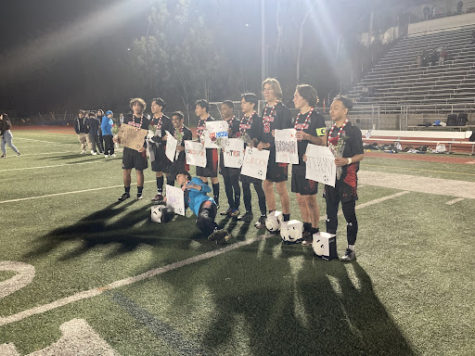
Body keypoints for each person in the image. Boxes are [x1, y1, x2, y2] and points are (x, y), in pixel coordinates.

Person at [325, 96, 364, 262]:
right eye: (331, 107)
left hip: (347, 179)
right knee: (330, 214)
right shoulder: (329, 130)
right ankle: (330, 247)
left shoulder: (353, 130)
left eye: (336, 107)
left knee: (349, 215)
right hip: (330, 178)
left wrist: (346, 160)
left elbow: (360, 154)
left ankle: (350, 249)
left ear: (345, 110)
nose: (331, 110)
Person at [292, 84, 327, 245]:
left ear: (305, 97)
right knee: (300, 198)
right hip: (296, 162)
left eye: (296, 96)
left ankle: (315, 229)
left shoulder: (318, 118)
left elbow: (323, 141)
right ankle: (306, 228)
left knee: (310, 199)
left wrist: (307, 136)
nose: (294, 99)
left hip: (310, 164)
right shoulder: (297, 117)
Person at [258, 78, 293, 225]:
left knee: (280, 186)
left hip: (279, 153)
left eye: (269, 89)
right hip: (266, 152)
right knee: (266, 184)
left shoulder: (283, 109)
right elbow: (263, 130)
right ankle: (272, 216)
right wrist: (259, 142)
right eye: (264, 89)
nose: (266, 91)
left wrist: (270, 142)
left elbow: (287, 133)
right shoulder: (264, 108)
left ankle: (286, 218)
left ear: (276, 90)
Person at [237, 93, 267, 229]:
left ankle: (263, 214)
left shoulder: (258, 119)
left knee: (257, 186)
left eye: (244, 102)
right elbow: (242, 136)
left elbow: (260, 137)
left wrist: (253, 141)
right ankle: (248, 212)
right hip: (244, 157)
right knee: (244, 185)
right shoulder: (242, 119)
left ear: (252, 104)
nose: (242, 105)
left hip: (255, 157)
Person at [175, 171, 230, 242]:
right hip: (200, 212)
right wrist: (170, 199)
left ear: (186, 176)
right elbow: (181, 208)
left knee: (203, 217)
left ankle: (221, 232)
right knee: (199, 224)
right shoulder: (183, 193)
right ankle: (218, 235)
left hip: (207, 203)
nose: (177, 178)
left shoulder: (194, 180)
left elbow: (207, 189)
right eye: (176, 178)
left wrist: (191, 186)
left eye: (179, 176)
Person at [115, 98, 150, 201]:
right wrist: (117, 137)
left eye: (139, 105)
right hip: (128, 149)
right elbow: (122, 131)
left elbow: (150, 136)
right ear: (132, 107)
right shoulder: (127, 117)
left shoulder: (146, 120)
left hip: (140, 150)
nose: (136, 107)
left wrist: (145, 146)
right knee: (126, 171)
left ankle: (139, 193)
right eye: (134, 105)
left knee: (139, 172)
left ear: (142, 107)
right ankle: (126, 192)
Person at [195, 99, 220, 206]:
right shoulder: (200, 121)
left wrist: (211, 139)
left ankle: (216, 200)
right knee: (202, 176)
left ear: (204, 108)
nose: (195, 110)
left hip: (211, 152)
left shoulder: (212, 121)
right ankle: (205, 199)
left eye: (197, 108)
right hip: (201, 153)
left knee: (213, 176)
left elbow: (217, 138)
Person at [218, 100, 241, 217]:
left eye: (225, 108)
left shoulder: (237, 123)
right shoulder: (220, 124)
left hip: (234, 158)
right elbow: (218, 142)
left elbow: (241, 139)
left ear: (231, 109)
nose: (223, 111)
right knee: (226, 182)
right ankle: (230, 206)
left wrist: (231, 135)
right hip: (223, 157)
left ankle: (236, 207)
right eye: (222, 109)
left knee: (234, 182)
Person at [149, 97, 173, 202]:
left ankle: (169, 194)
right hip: (154, 149)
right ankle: (159, 193)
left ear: (160, 107)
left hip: (164, 149)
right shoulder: (151, 120)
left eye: (154, 105)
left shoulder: (166, 120)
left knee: (167, 172)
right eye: (151, 105)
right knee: (157, 171)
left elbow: (171, 136)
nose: (152, 107)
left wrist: (163, 138)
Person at [166, 111, 192, 186]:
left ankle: (185, 195)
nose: (174, 121)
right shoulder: (171, 130)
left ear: (182, 120)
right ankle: (169, 196)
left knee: (183, 178)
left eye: (176, 119)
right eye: (173, 119)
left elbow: (190, 147)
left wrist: (183, 148)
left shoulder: (187, 132)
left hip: (182, 159)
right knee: (170, 178)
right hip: (172, 158)